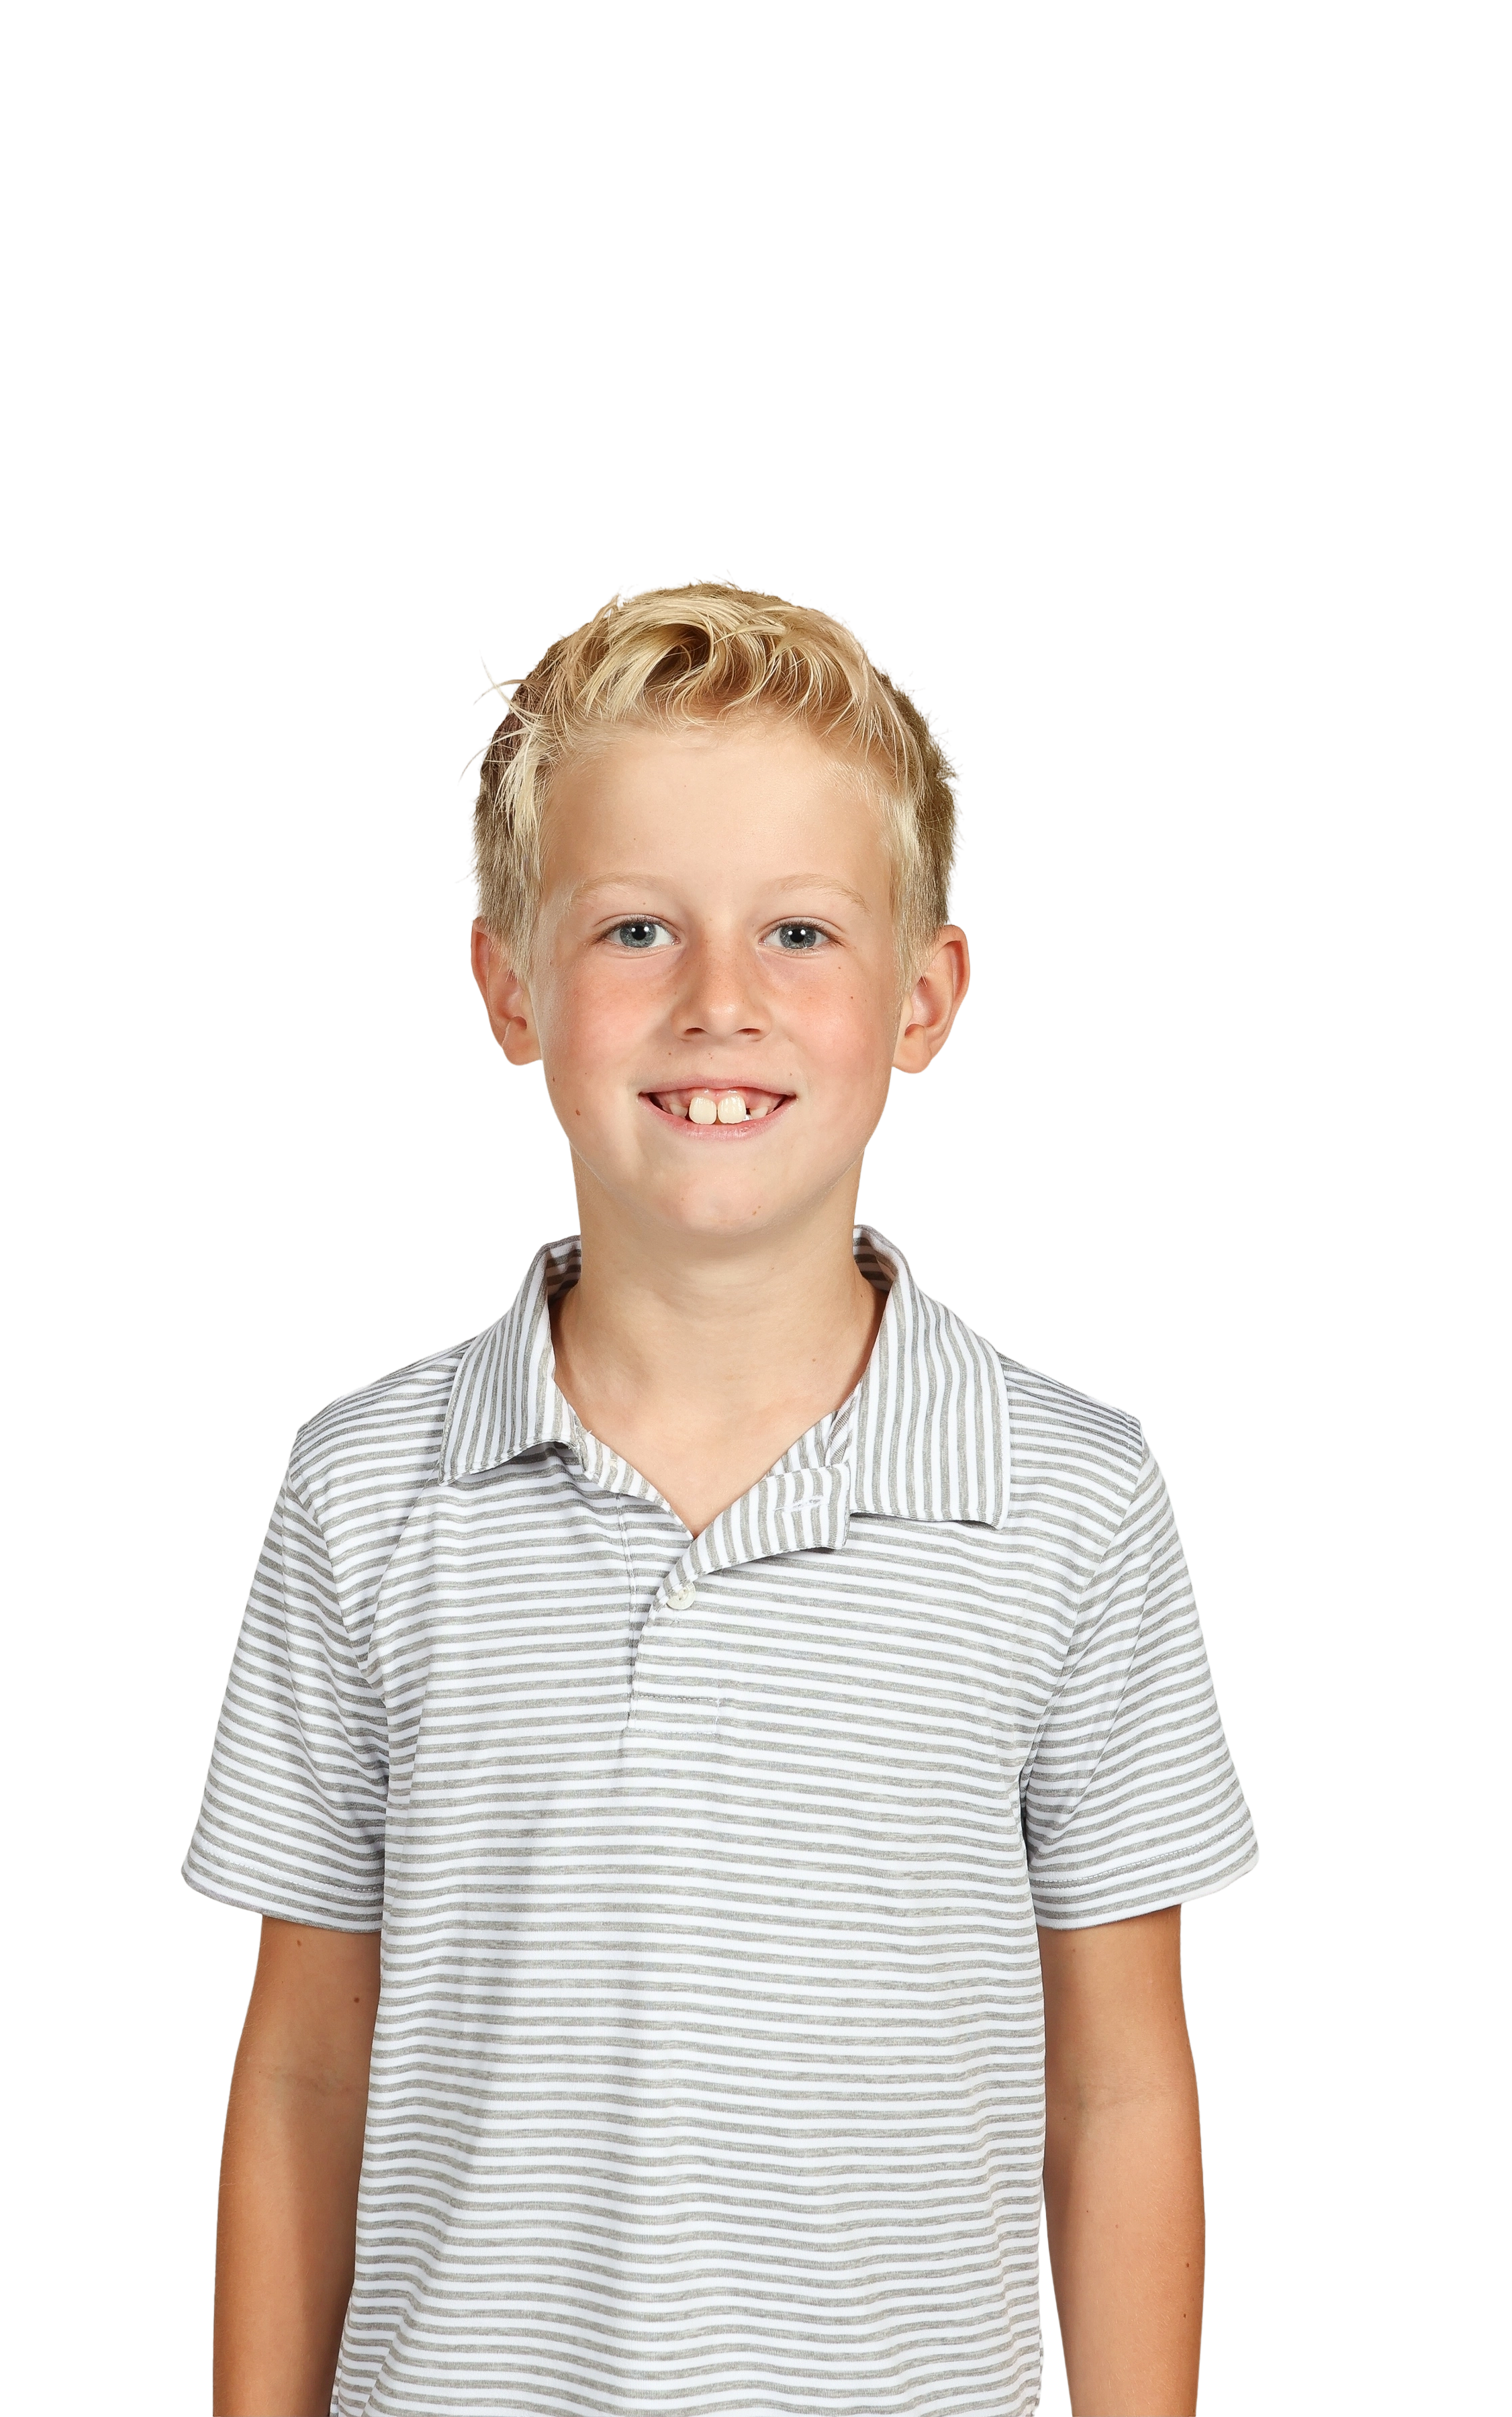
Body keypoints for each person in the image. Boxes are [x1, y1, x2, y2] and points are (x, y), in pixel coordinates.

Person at [181, 571, 1262, 2417]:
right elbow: (301, 2069)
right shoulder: (365, 1495)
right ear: (509, 987)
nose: (719, 1005)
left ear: (925, 999)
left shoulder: (1072, 1503)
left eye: (800, 934)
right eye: (635, 931)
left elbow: (1120, 2085)